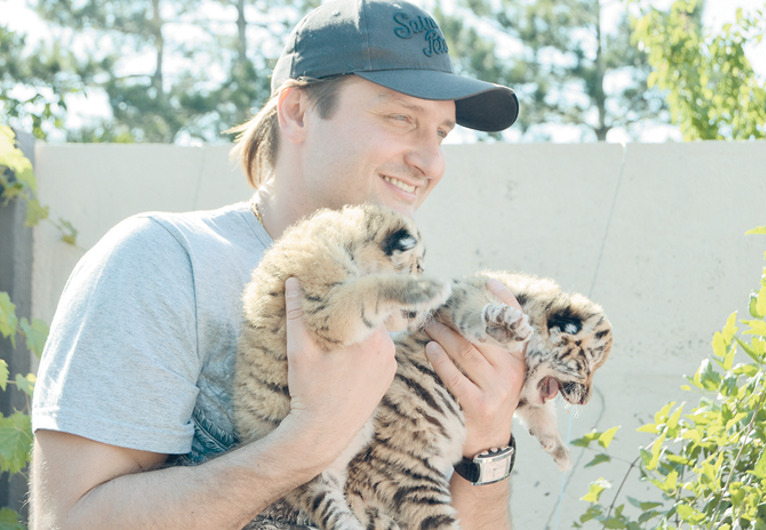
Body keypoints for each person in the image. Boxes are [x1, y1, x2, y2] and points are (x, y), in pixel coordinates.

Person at [29, 0, 526, 528]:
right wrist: (308, 440)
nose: (431, 162)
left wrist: (488, 453)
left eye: (442, 133)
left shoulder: (420, 317)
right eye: (401, 118)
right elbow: (68, 520)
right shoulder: (167, 262)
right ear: (297, 112)